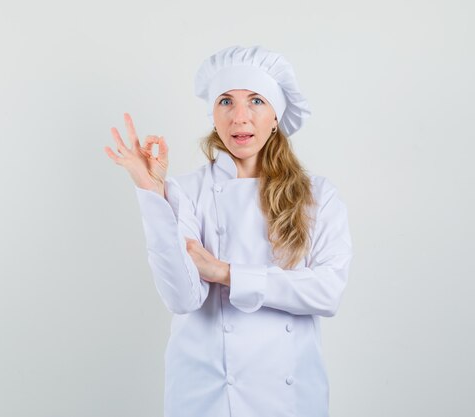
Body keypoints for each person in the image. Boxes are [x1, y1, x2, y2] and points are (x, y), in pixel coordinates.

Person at [103, 45, 353, 417]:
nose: (239, 117)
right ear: (213, 115)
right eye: (225, 102)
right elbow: (182, 299)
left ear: (275, 117)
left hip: (291, 395)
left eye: (255, 100)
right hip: (207, 395)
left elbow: (326, 292)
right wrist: (152, 194)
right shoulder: (185, 191)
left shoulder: (316, 194)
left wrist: (226, 273)